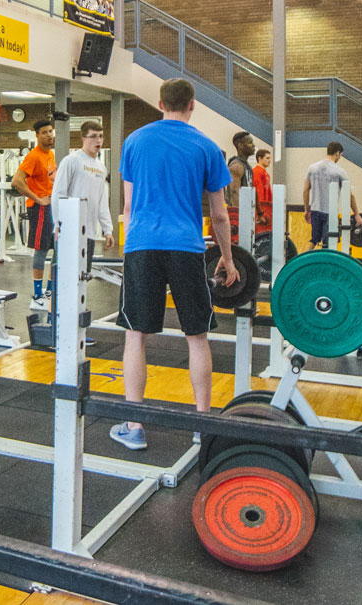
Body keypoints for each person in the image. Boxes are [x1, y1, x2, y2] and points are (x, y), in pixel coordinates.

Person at [109, 78, 238, 451]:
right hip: (186, 246)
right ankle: (201, 425)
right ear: (192, 104)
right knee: (197, 336)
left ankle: (134, 424)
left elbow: (129, 207)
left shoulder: (134, 141)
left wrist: (130, 250)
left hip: (143, 245)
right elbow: (219, 215)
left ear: (161, 103)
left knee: (136, 335)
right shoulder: (207, 146)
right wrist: (227, 260)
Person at [50, 120, 114, 267]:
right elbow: (58, 194)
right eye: (93, 136)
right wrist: (58, 223)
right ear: (84, 139)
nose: (98, 140)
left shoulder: (101, 167)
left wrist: (107, 229)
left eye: (101, 136)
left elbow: (101, 202)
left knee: (83, 275)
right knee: (65, 274)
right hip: (69, 228)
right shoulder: (71, 161)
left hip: (89, 231)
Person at [11, 119, 57, 311]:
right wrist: (38, 199)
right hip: (39, 209)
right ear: (37, 136)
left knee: (58, 248)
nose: (49, 135)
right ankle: (38, 295)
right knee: (41, 250)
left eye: (50, 132)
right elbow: (16, 181)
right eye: (44, 132)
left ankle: (49, 290)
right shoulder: (33, 156)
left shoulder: (50, 156)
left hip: (53, 208)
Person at [303, 142, 362, 251]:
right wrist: (356, 214)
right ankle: (327, 265)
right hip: (330, 213)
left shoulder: (312, 168)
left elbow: (305, 191)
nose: (339, 158)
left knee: (314, 240)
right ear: (337, 153)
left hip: (315, 210)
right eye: (340, 155)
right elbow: (350, 195)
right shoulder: (339, 171)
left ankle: (301, 263)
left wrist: (307, 210)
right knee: (329, 243)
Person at [253, 148, 274, 234]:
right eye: (267, 158)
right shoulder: (256, 172)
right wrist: (260, 212)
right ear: (260, 159)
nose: (269, 161)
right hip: (260, 210)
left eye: (270, 158)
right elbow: (258, 192)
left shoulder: (266, 174)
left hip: (266, 209)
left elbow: (269, 193)